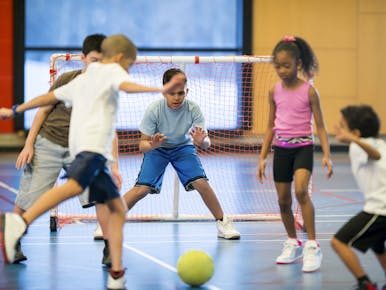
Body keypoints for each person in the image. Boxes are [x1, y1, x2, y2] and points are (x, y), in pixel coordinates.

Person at [0, 34, 184, 290]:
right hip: (91, 151)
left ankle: (117, 274)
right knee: (74, 187)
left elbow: (48, 99)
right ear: (119, 58)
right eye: (129, 65)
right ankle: (20, 222)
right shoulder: (111, 71)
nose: (127, 70)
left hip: (87, 152)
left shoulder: (84, 79)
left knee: (117, 209)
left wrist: (15, 110)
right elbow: (127, 86)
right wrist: (161, 89)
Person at [11, 33, 116, 264]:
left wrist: (114, 166)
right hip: (49, 141)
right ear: (83, 59)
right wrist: (28, 144)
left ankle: (110, 249)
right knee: (30, 197)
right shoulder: (68, 80)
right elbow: (42, 111)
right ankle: (13, 239)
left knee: (101, 194)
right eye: (94, 60)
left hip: (82, 147)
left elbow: (110, 128)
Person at [109, 68, 240, 240]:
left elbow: (206, 143)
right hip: (158, 149)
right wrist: (153, 144)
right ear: (164, 92)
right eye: (171, 93)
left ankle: (223, 223)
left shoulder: (193, 108)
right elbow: (142, 146)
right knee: (142, 189)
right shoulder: (154, 110)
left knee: (202, 183)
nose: (176, 98)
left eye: (180, 93)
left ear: (187, 91)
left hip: (183, 148)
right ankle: (108, 222)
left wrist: (202, 142)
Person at [257, 35, 333, 272]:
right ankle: (292, 242)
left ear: (298, 64)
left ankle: (312, 244)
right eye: (277, 65)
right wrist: (262, 157)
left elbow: (320, 126)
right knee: (283, 200)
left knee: (301, 190)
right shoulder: (274, 91)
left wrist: (327, 155)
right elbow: (270, 126)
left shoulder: (309, 92)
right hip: (281, 149)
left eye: (286, 65)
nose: (281, 70)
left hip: (303, 148)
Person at [331, 105, 386, 290]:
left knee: (338, 242)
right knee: (377, 242)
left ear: (355, 132)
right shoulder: (380, 143)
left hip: (384, 206)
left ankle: (365, 284)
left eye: (342, 126)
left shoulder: (358, 146)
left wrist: (352, 140)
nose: (337, 128)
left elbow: (375, 155)